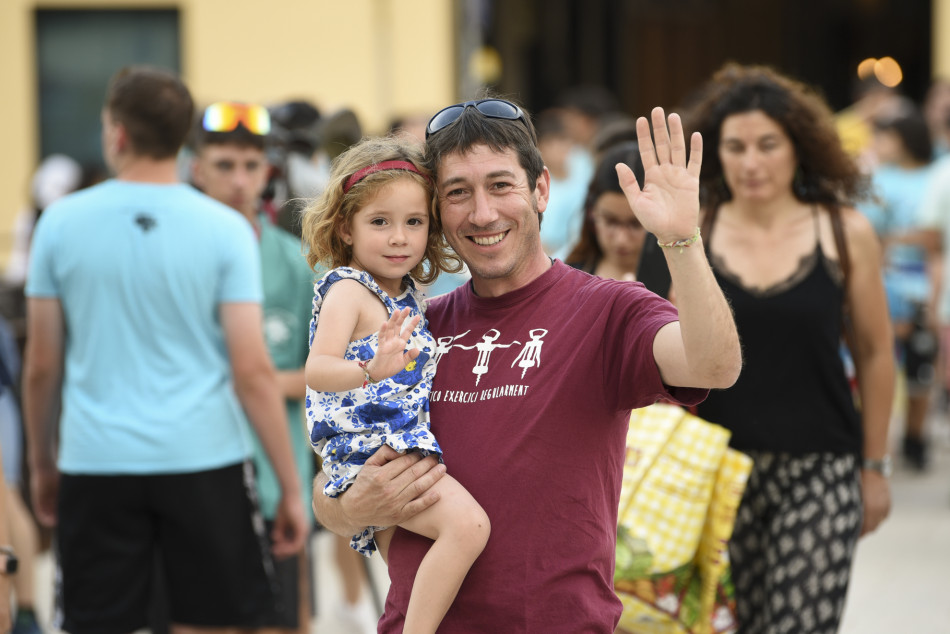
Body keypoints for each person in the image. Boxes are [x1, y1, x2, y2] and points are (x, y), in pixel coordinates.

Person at [312, 97, 742, 633]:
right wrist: (348, 509)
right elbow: (334, 476)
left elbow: (714, 366)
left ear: (540, 190)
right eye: (458, 193)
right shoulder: (413, 330)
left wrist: (681, 241)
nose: (483, 213)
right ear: (439, 213)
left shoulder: (606, 310)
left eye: (500, 185)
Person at [22, 66, 307, 634]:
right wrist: (291, 489)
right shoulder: (225, 231)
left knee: (99, 623)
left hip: (96, 459)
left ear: (117, 134)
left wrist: (42, 464)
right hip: (204, 459)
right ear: (183, 144)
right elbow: (252, 372)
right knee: (209, 623)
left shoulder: (59, 223)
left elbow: (42, 366)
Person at [684, 63, 895, 634]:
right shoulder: (692, 233)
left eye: (767, 145)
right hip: (711, 472)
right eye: (736, 147)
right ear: (715, 155)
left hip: (820, 470)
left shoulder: (844, 231)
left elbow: (877, 352)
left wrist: (874, 467)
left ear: (798, 147)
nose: (751, 162)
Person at [301, 135, 489, 634]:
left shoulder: (404, 295)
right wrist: (370, 370)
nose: (399, 238)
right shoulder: (349, 290)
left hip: (393, 442)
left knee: (409, 580)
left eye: (414, 222)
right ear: (346, 226)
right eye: (380, 222)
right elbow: (317, 369)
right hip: (374, 449)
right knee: (469, 527)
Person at [190, 100, 318, 632]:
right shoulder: (179, 253)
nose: (239, 179)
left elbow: (325, 370)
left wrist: (258, 381)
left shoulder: (294, 261)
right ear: (196, 168)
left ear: (267, 171)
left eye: (250, 165)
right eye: (224, 164)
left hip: (273, 482)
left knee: (284, 621)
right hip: (192, 482)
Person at [859, 101, 937, 471]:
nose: (879, 142)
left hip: (933, 284)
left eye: (886, 135)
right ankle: (882, 440)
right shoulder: (877, 178)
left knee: (925, 361)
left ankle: (916, 437)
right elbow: (866, 230)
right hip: (888, 282)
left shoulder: (939, 172)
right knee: (885, 356)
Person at [566, 141, 647, 279]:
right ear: (592, 213)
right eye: (610, 222)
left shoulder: (681, 281)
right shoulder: (570, 276)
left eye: (636, 224)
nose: (621, 240)